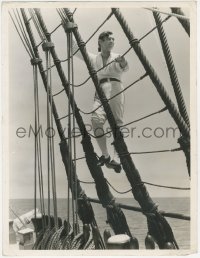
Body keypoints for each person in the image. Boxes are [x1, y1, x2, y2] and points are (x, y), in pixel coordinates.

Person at [73, 31, 129, 173]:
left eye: (113, 39)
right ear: (100, 42)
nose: (111, 41)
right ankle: (105, 155)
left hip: (116, 87)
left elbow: (125, 67)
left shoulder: (117, 56)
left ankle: (117, 157)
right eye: (108, 39)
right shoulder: (94, 58)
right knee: (95, 120)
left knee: (117, 122)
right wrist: (68, 32)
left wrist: (122, 62)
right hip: (101, 89)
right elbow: (76, 50)